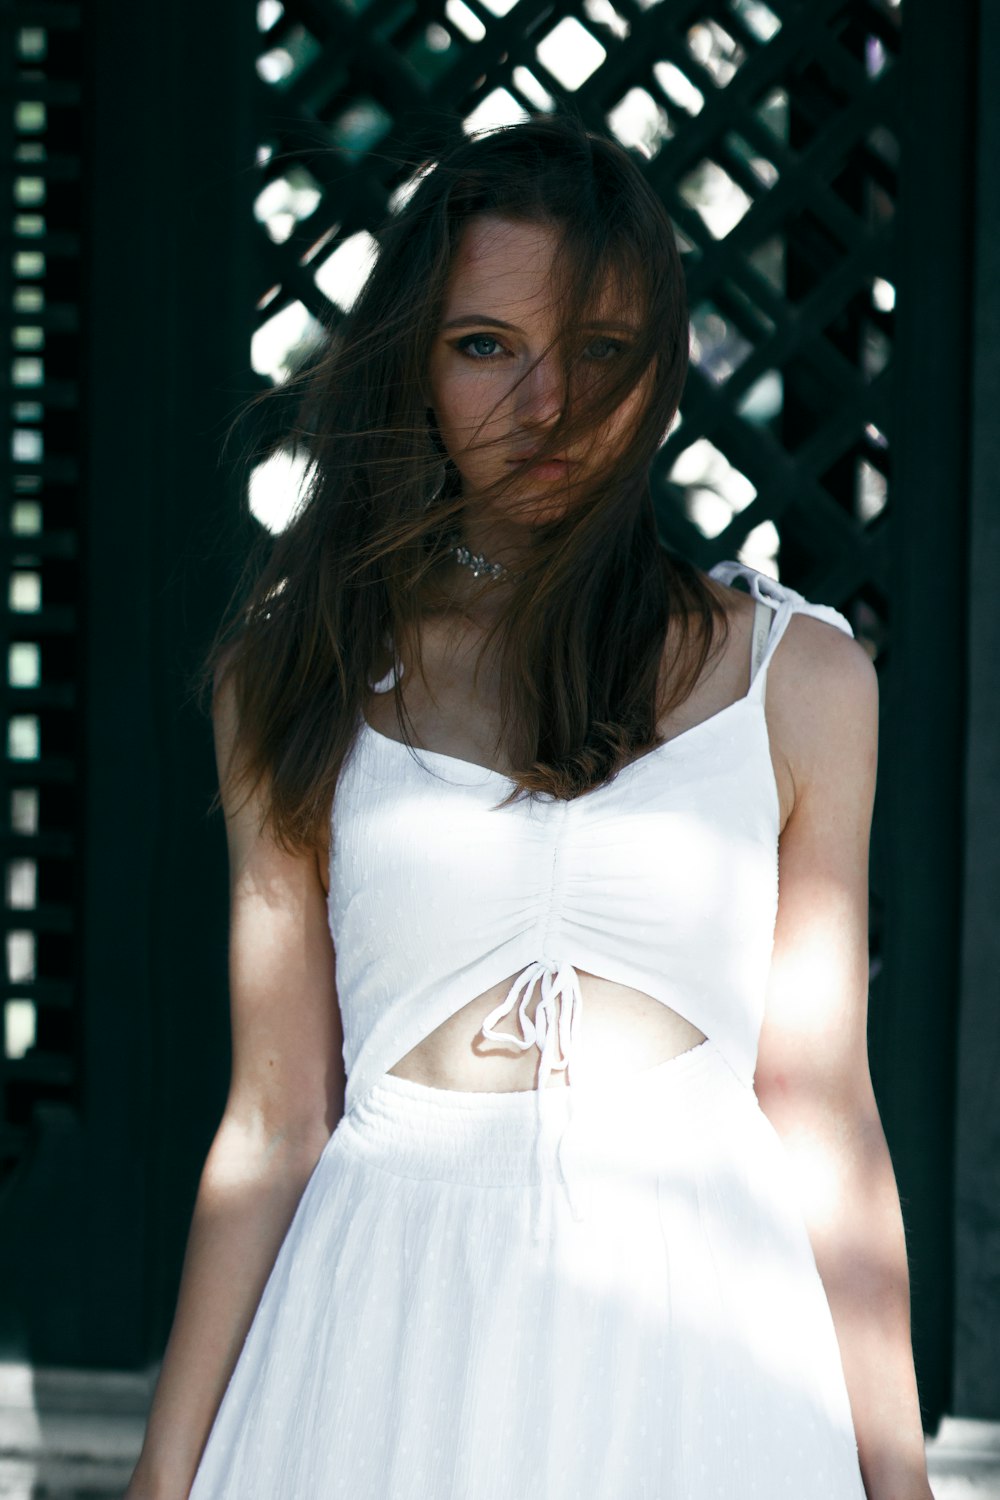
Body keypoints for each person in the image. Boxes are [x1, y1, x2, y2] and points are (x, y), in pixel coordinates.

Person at [125, 113, 934, 1500]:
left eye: (600, 351)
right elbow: (273, 1120)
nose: (546, 404)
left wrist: (897, 1480)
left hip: (701, 1335)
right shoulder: (296, 676)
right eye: (486, 346)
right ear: (416, 362)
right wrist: (160, 1479)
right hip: (380, 1330)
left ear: (664, 370)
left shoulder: (795, 681)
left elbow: (821, 1106)